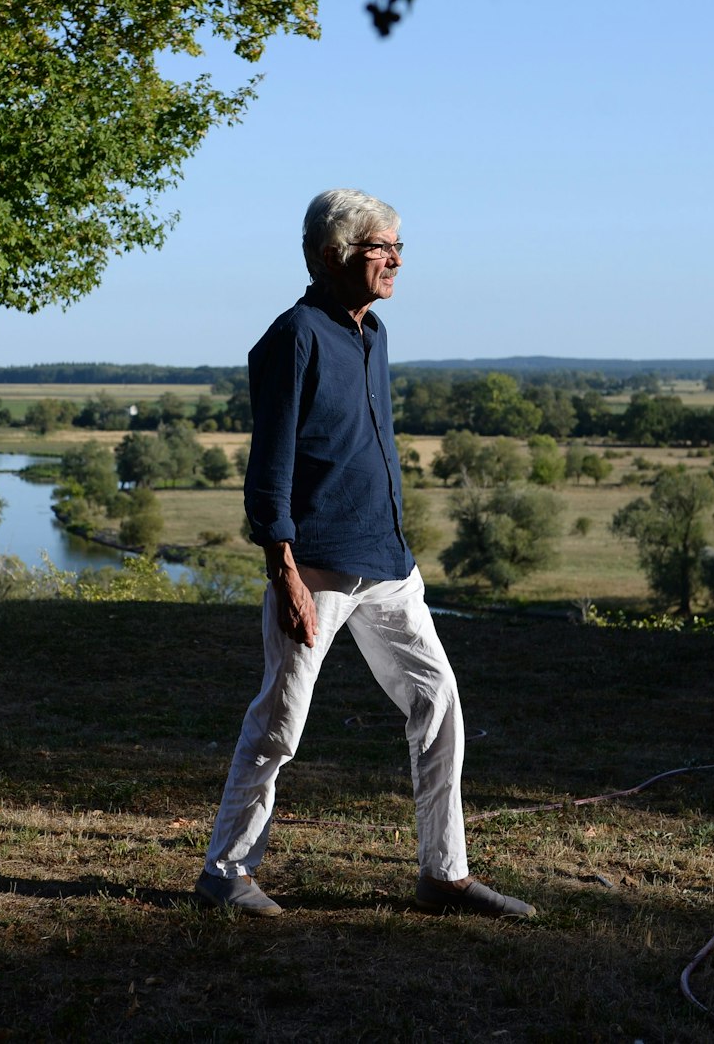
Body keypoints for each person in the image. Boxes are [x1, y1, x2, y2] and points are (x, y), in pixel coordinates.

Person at [193, 188, 534, 920]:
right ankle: (226, 871)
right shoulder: (294, 337)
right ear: (332, 254)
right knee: (280, 723)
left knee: (438, 701)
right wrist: (282, 571)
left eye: (399, 247)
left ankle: (443, 874)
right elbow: (271, 465)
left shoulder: (373, 334)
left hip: (388, 566)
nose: (395, 261)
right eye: (381, 247)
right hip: (313, 567)